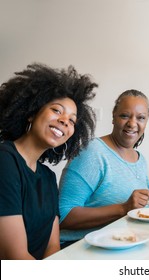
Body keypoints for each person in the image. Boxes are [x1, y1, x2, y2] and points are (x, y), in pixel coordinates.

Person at [0, 63, 97, 259]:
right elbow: (15, 256)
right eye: (56, 110)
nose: (64, 121)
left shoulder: (48, 177)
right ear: (31, 113)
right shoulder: (4, 160)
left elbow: (52, 246)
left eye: (72, 120)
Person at [59, 89, 149, 247]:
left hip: (122, 243)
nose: (132, 123)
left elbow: (134, 208)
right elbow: (64, 216)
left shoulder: (140, 160)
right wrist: (123, 208)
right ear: (113, 116)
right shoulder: (92, 151)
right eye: (125, 116)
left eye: (141, 118)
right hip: (80, 247)